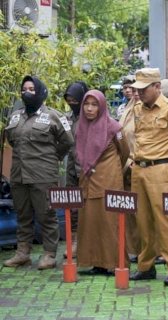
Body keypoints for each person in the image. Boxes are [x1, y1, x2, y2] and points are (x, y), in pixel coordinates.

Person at [128, 68, 168, 286]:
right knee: (142, 219)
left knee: (166, 219)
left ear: (157, 87)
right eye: (138, 89)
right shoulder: (137, 109)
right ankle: (146, 266)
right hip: (139, 168)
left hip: (161, 169)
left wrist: (166, 160)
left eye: (144, 89)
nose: (140, 93)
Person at [3, 76, 74, 269]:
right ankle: (22, 253)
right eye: (24, 88)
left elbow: (68, 141)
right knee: (22, 215)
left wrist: (52, 157)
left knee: (47, 215)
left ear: (40, 91)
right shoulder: (15, 115)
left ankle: (49, 254)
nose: (27, 92)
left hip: (43, 175)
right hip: (19, 174)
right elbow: (11, 140)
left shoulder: (53, 116)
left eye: (31, 89)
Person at [75, 90, 130, 275]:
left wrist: (111, 170)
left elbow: (125, 152)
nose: (90, 109)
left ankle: (114, 262)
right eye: (86, 104)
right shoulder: (81, 127)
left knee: (109, 222)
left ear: (102, 106)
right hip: (87, 181)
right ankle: (95, 262)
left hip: (109, 181)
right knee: (90, 221)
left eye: (94, 104)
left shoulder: (114, 127)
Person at [62, 81, 89, 259]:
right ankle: (74, 241)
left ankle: (87, 242)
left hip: (87, 168)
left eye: (74, 99)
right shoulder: (67, 118)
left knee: (87, 206)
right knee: (72, 205)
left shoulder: (90, 117)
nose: (72, 102)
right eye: (68, 99)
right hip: (71, 167)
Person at [118, 76, 141, 263]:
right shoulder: (125, 109)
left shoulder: (147, 110)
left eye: (134, 89)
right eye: (129, 89)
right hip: (126, 165)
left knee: (144, 210)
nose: (132, 93)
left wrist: (136, 159)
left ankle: (150, 250)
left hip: (142, 164)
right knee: (130, 209)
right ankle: (133, 247)